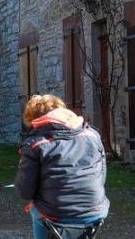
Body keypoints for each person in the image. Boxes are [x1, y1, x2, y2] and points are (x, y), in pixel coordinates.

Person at [15, 94, 109, 239]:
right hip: (94, 211)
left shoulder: (35, 143)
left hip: (55, 214)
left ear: (33, 119)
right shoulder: (92, 135)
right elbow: (101, 177)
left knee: (35, 210)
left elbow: (25, 191)